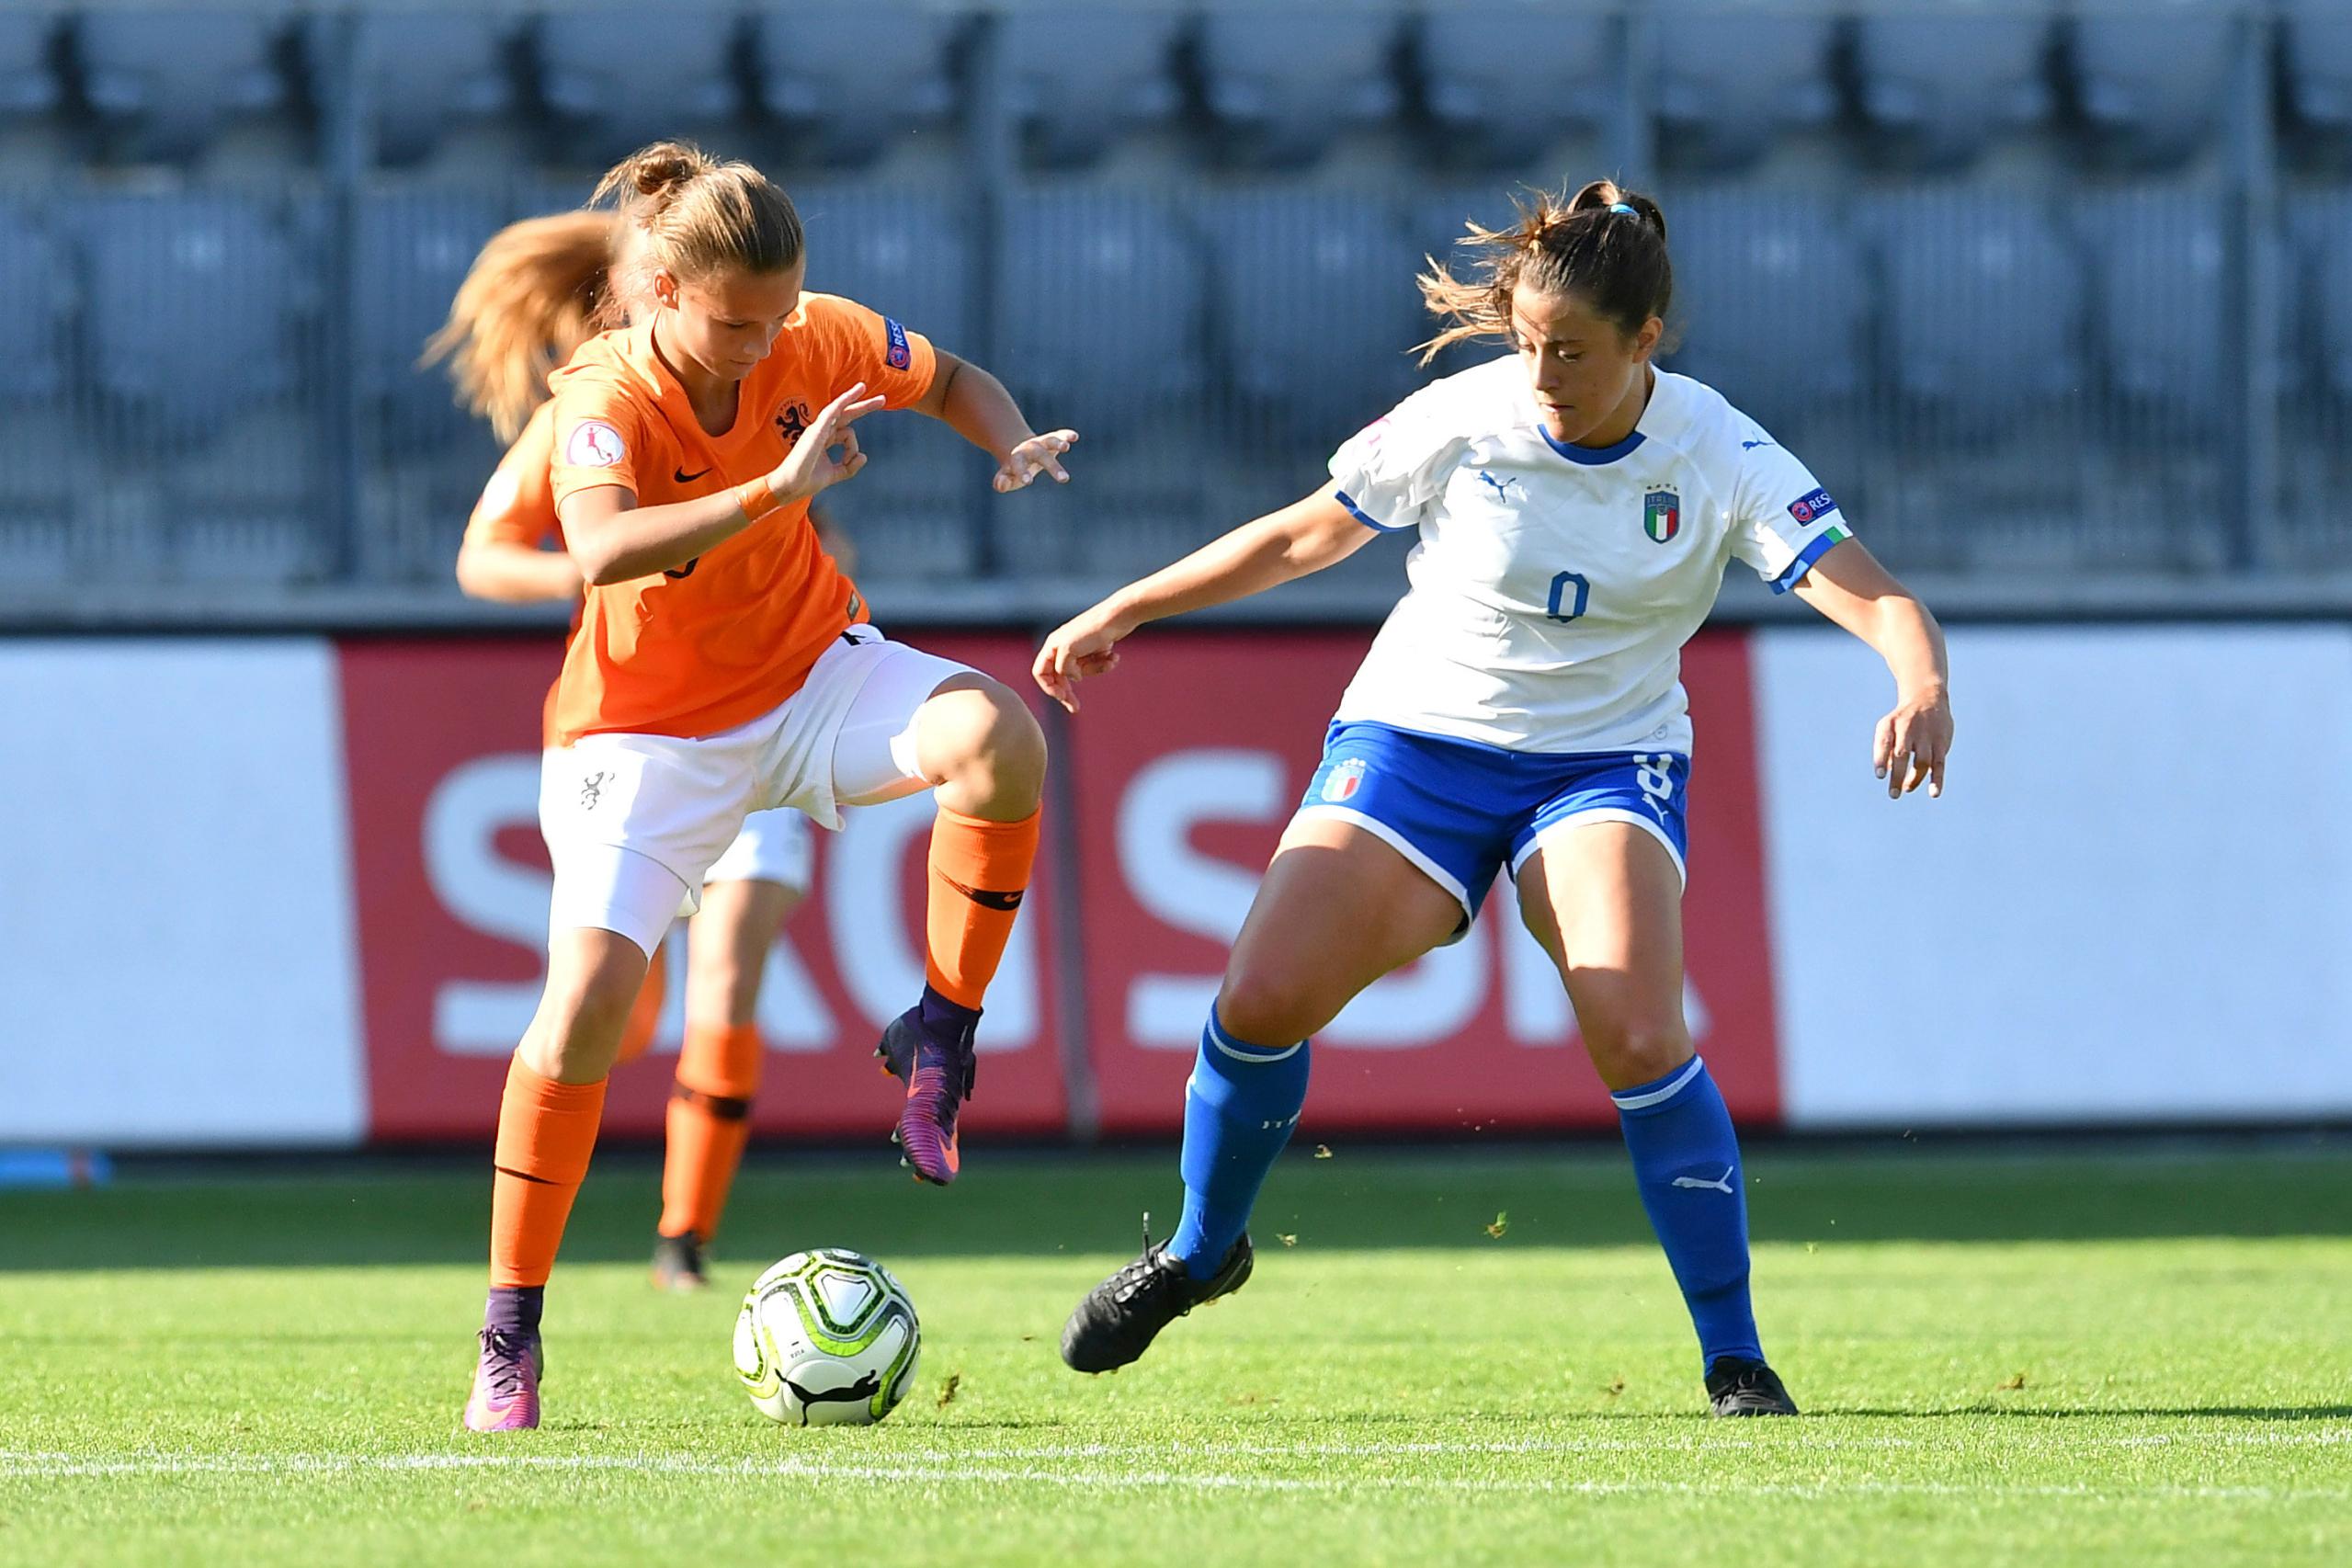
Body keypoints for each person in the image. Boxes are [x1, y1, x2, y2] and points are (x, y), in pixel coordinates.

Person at [1035, 180, 1953, 1418]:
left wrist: (1919, 678)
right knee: (1257, 996)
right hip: (1417, 739)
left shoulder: (1719, 452)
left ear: (1644, 342)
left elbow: (1873, 592)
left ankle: (1734, 1356)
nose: (1541, 372)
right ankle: (1201, 1250)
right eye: (1525, 343)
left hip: (1602, 758)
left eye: (1569, 350)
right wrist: (1126, 605)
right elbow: (1305, 535)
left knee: (1635, 1029)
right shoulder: (1466, 417)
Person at [463, 142, 1075, 1433]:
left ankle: (939, 1032)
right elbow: (601, 549)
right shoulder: (601, 389)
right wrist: (775, 491)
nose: (761, 342)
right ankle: (509, 1333)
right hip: (642, 735)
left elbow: (951, 377)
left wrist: (1008, 440)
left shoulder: (807, 331)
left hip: (808, 678)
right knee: (581, 1014)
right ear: (661, 292)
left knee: (1001, 738)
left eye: (778, 312)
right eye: (732, 320)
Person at [431, 209, 828, 1294]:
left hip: (776, 702)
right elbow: (485, 557)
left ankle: (683, 1239)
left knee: (731, 971)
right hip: (648, 728)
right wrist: (588, 570)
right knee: (621, 997)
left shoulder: (778, 374)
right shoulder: (590, 417)